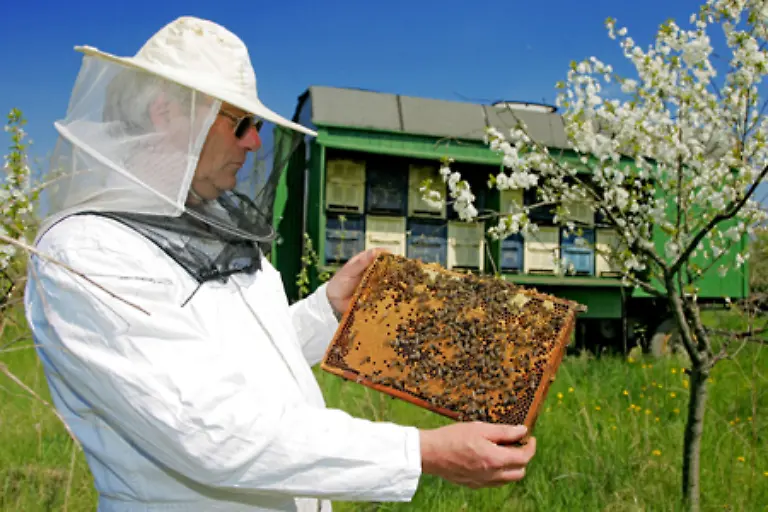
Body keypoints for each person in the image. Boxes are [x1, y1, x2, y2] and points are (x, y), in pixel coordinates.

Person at [23, 16, 537, 512]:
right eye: (241, 122)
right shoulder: (87, 253)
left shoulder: (211, 229)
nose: (254, 141)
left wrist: (327, 309)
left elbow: (239, 360)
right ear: (168, 114)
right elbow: (205, 429)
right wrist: (420, 451)